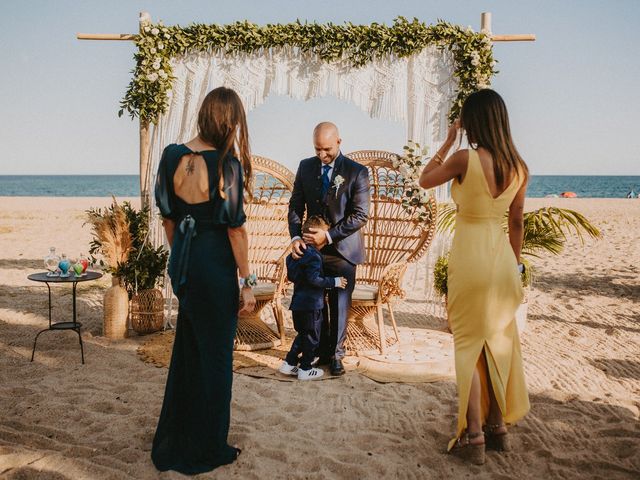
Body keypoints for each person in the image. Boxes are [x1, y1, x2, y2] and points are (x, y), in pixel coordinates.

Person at [419, 89, 530, 465]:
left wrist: (448, 140)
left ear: (473, 121)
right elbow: (516, 223)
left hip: (470, 260)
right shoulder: (519, 167)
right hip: (502, 263)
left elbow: (424, 179)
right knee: (497, 343)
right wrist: (514, 269)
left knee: (467, 344)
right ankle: (498, 429)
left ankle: (476, 436)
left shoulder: (465, 158)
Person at [151, 86, 256, 475]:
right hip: (214, 268)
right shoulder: (226, 164)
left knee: (189, 352)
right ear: (229, 121)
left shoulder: (171, 156)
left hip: (185, 267)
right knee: (215, 359)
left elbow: (168, 217)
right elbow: (235, 231)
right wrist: (248, 279)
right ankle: (208, 445)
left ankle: (177, 436)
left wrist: (182, 257)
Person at [288, 122, 370, 376]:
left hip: (343, 250)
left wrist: (330, 236)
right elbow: (295, 206)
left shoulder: (357, 172)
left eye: (326, 149)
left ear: (339, 142)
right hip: (311, 250)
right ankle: (318, 350)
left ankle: (336, 356)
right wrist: (295, 238)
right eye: (317, 150)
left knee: (339, 304)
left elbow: (360, 215)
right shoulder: (305, 167)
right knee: (314, 302)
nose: (322, 155)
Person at [279, 215, 348, 380]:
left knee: (302, 335)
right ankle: (305, 368)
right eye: (323, 235)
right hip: (311, 306)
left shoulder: (293, 255)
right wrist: (334, 281)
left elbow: (293, 277)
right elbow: (314, 279)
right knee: (312, 339)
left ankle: (289, 364)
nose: (325, 239)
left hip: (297, 304)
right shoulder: (315, 256)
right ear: (313, 237)